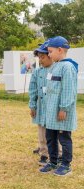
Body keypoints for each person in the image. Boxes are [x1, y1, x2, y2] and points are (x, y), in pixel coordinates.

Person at [40, 36, 78, 176]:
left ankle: (66, 164)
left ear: (60, 50)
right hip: (51, 111)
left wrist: (64, 108)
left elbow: (69, 90)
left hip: (61, 112)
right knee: (51, 137)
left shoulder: (68, 67)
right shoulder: (55, 66)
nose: (48, 54)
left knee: (64, 138)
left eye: (50, 51)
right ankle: (53, 161)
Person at [29, 42, 62, 166]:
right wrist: (32, 105)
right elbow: (32, 90)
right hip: (41, 107)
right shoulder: (37, 72)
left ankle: (58, 154)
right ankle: (44, 153)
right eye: (39, 58)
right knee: (42, 131)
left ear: (50, 55)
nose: (40, 60)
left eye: (43, 57)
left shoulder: (58, 69)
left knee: (55, 131)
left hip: (53, 107)